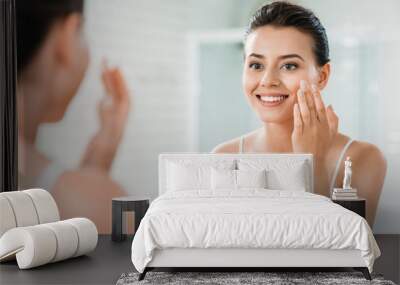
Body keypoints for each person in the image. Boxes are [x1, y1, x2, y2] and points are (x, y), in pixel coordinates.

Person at [212, 1, 386, 226]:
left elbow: (342, 254)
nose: (267, 81)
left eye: (289, 66)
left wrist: (313, 161)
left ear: (322, 76)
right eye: (256, 65)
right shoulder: (224, 157)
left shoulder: (363, 159)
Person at [16, 0, 131, 233]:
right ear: (67, 36)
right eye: (82, 32)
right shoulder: (95, 205)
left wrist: (105, 142)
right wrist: (96, 192)